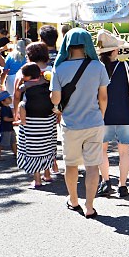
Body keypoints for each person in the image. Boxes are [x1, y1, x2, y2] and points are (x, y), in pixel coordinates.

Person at [50, 28, 109, 219]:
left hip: (71, 124)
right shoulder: (98, 66)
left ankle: (73, 200)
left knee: (71, 165)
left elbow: (55, 99)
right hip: (94, 122)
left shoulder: (59, 68)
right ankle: (89, 206)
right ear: (87, 44)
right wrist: (101, 116)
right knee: (92, 166)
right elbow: (103, 97)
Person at [95, 30, 129, 199]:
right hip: (124, 113)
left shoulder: (97, 68)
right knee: (124, 152)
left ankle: (106, 181)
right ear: (114, 51)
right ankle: (123, 186)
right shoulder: (126, 66)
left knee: (102, 150)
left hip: (101, 114)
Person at [15, 63, 55, 186]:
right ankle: (47, 175)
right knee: (47, 146)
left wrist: (20, 82)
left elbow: (17, 95)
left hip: (31, 122)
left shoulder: (25, 86)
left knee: (34, 150)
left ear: (28, 76)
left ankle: (37, 180)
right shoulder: (47, 82)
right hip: (48, 119)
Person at [0, 90, 15, 161]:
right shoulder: (4, 109)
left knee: (13, 141)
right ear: (2, 102)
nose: (10, 99)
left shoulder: (8, 107)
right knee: (3, 143)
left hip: (10, 128)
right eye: (8, 98)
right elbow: (5, 119)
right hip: (6, 129)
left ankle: (16, 154)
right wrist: (14, 119)